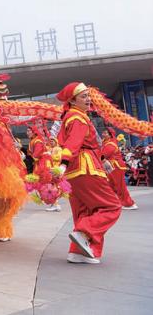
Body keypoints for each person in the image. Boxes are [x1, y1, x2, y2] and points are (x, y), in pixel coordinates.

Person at [56, 82, 121, 264]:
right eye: (83, 96)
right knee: (111, 206)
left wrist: (102, 160)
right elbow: (74, 143)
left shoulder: (71, 116)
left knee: (83, 211)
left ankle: (78, 252)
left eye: (88, 95)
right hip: (85, 167)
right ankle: (83, 231)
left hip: (74, 172)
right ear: (72, 100)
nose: (88, 99)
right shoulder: (78, 118)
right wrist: (63, 162)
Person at [101, 128, 137, 209]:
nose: (103, 134)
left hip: (116, 167)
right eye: (103, 132)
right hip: (111, 167)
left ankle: (129, 204)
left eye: (105, 133)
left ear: (110, 135)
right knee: (110, 185)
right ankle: (113, 203)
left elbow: (103, 155)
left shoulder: (111, 144)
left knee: (119, 186)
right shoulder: (106, 142)